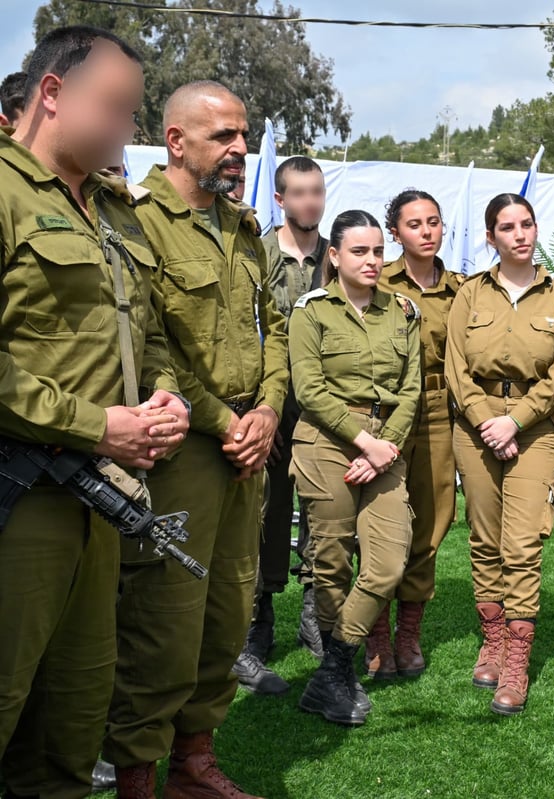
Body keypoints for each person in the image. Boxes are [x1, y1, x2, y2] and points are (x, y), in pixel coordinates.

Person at [0, 26, 187, 799]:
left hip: (102, 500)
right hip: (19, 500)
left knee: (73, 720)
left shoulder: (113, 208)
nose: (126, 129)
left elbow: (144, 327)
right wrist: (96, 423)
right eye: (114, 107)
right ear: (51, 94)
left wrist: (163, 394)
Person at [103, 81, 288, 799]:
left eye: (243, 135)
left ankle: (194, 761)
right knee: (164, 620)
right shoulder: (137, 220)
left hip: (248, 447)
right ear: (176, 141)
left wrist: (269, 408)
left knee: (228, 611)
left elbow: (276, 325)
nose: (240, 149)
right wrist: (225, 420)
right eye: (224, 137)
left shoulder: (242, 227)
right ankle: (137, 776)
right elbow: (149, 342)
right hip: (185, 448)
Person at [445, 193, 554, 715]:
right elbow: (456, 365)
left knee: (521, 541)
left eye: (526, 224)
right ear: (490, 236)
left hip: (535, 428)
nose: (520, 234)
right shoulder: (470, 295)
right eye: (507, 227)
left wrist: (515, 420)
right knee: (483, 538)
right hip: (475, 425)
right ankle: (493, 639)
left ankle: (517, 658)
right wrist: (485, 419)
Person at [289, 209, 421, 726]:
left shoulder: (403, 312)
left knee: (387, 563)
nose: (372, 261)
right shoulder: (311, 312)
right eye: (359, 251)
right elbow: (308, 389)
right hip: (326, 445)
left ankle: (333, 668)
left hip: (385, 449)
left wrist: (383, 446)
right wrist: (364, 441)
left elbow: (411, 389)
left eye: (377, 251)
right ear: (336, 255)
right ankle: (337, 678)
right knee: (331, 565)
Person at [236, 155, 329, 690]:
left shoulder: (332, 257)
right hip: (267, 403)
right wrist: (261, 409)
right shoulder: (258, 252)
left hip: (318, 409)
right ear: (279, 199)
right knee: (263, 514)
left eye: (316, 192)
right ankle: (258, 620)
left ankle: (315, 613)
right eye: (298, 193)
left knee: (320, 510)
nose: (309, 203)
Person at [366, 189, 463, 680]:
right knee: (383, 519)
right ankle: (376, 632)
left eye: (434, 222)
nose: (426, 232)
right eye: (414, 224)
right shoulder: (377, 283)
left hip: (438, 410)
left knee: (431, 519)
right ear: (396, 232)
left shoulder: (461, 289)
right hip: (384, 413)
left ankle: (409, 633)